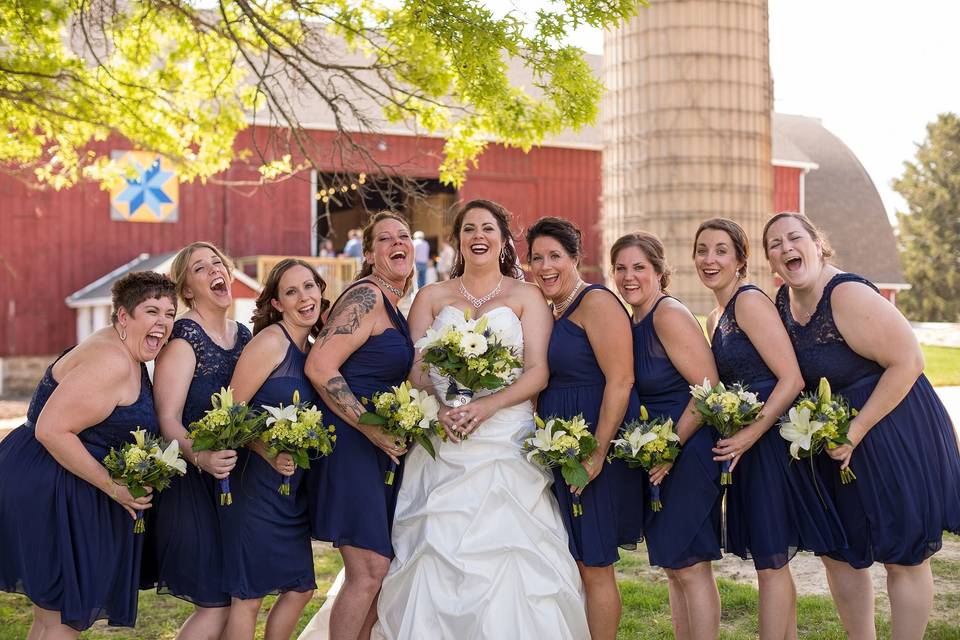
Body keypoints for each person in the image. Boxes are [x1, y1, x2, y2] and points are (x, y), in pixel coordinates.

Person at [375, 200, 589, 638]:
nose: (478, 236)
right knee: (435, 544)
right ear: (457, 240)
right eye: (468, 228)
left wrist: (486, 406)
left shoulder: (527, 295)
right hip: (445, 436)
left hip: (505, 438)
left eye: (487, 228)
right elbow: (414, 370)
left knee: (512, 550)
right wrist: (448, 397)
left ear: (503, 239)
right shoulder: (432, 297)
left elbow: (538, 372)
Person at [764, 212, 960, 640]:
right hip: (834, 439)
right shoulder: (781, 302)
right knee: (839, 552)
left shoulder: (847, 293)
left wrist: (855, 431)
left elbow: (910, 361)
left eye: (794, 238)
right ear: (771, 262)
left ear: (818, 244)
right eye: (775, 244)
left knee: (903, 555)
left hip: (893, 429)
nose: (785, 248)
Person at [0, 271, 176, 636]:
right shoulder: (110, 360)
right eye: (151, 311)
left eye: (170, 313)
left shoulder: (125, 350)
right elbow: (51, 429)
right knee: (66, 617)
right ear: (123, 317)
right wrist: (114, 487)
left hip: (57, 478)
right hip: (51, 487)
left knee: (52, 617)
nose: (162, 322)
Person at [694, 218, 846, 639]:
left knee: (771, 564)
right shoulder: (715, 316)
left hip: (768, 444)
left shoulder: (748, 302)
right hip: (748, 446)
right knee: (770, 560)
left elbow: (791, 379)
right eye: (702, 250)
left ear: (741, 260)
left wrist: (748, 434)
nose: (710, 259)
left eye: (722, 251)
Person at [526, 216, 643, 640]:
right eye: (537, 258)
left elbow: (621, 380)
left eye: (555, 256)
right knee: (574, 559)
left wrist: (596, 454)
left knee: (595, 564)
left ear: (576, 257)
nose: (545, 266)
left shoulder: (596, 302)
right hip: (562, 449)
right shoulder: (550, 309)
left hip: (595, 451)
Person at [304, 212, 415, 640]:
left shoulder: (393, 302)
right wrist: (369, 427)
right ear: (368, 254)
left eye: (403, 235)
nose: (396, 243)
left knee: (379, 569)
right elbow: (320, 365)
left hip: (376, 448)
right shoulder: (365, 297)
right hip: (353, 446)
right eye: (384, 239)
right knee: (368, 570)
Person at [611, 231, 723, 639]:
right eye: (621, 268)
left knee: (692, 566)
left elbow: (709, 389)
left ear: (659, 271)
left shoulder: (666, 314)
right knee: (674, 567)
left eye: (639, 267)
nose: (629, 276)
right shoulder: (634, 320)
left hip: (688, 452)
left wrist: (671, 447)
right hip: (660, 455)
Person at [220, 259, 331, 640]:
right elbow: (228, 413)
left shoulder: (316, 351)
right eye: (291, 291)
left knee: (301, 588)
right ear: (277, 304)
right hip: (257, 485)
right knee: (248, 596)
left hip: (292, 489)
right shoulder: (270, 342)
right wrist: (267, 449)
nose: (305, 297)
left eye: (310, 286)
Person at [149, 241, 252, 640]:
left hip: (234, 482)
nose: (214, 271)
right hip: (192, 481)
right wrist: (202, 456)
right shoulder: (183, 339)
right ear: (187, 289)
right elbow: (166, 419)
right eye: (199, 268)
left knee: (235, 597)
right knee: (216, 603)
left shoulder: (242, 335)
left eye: (218, 263)